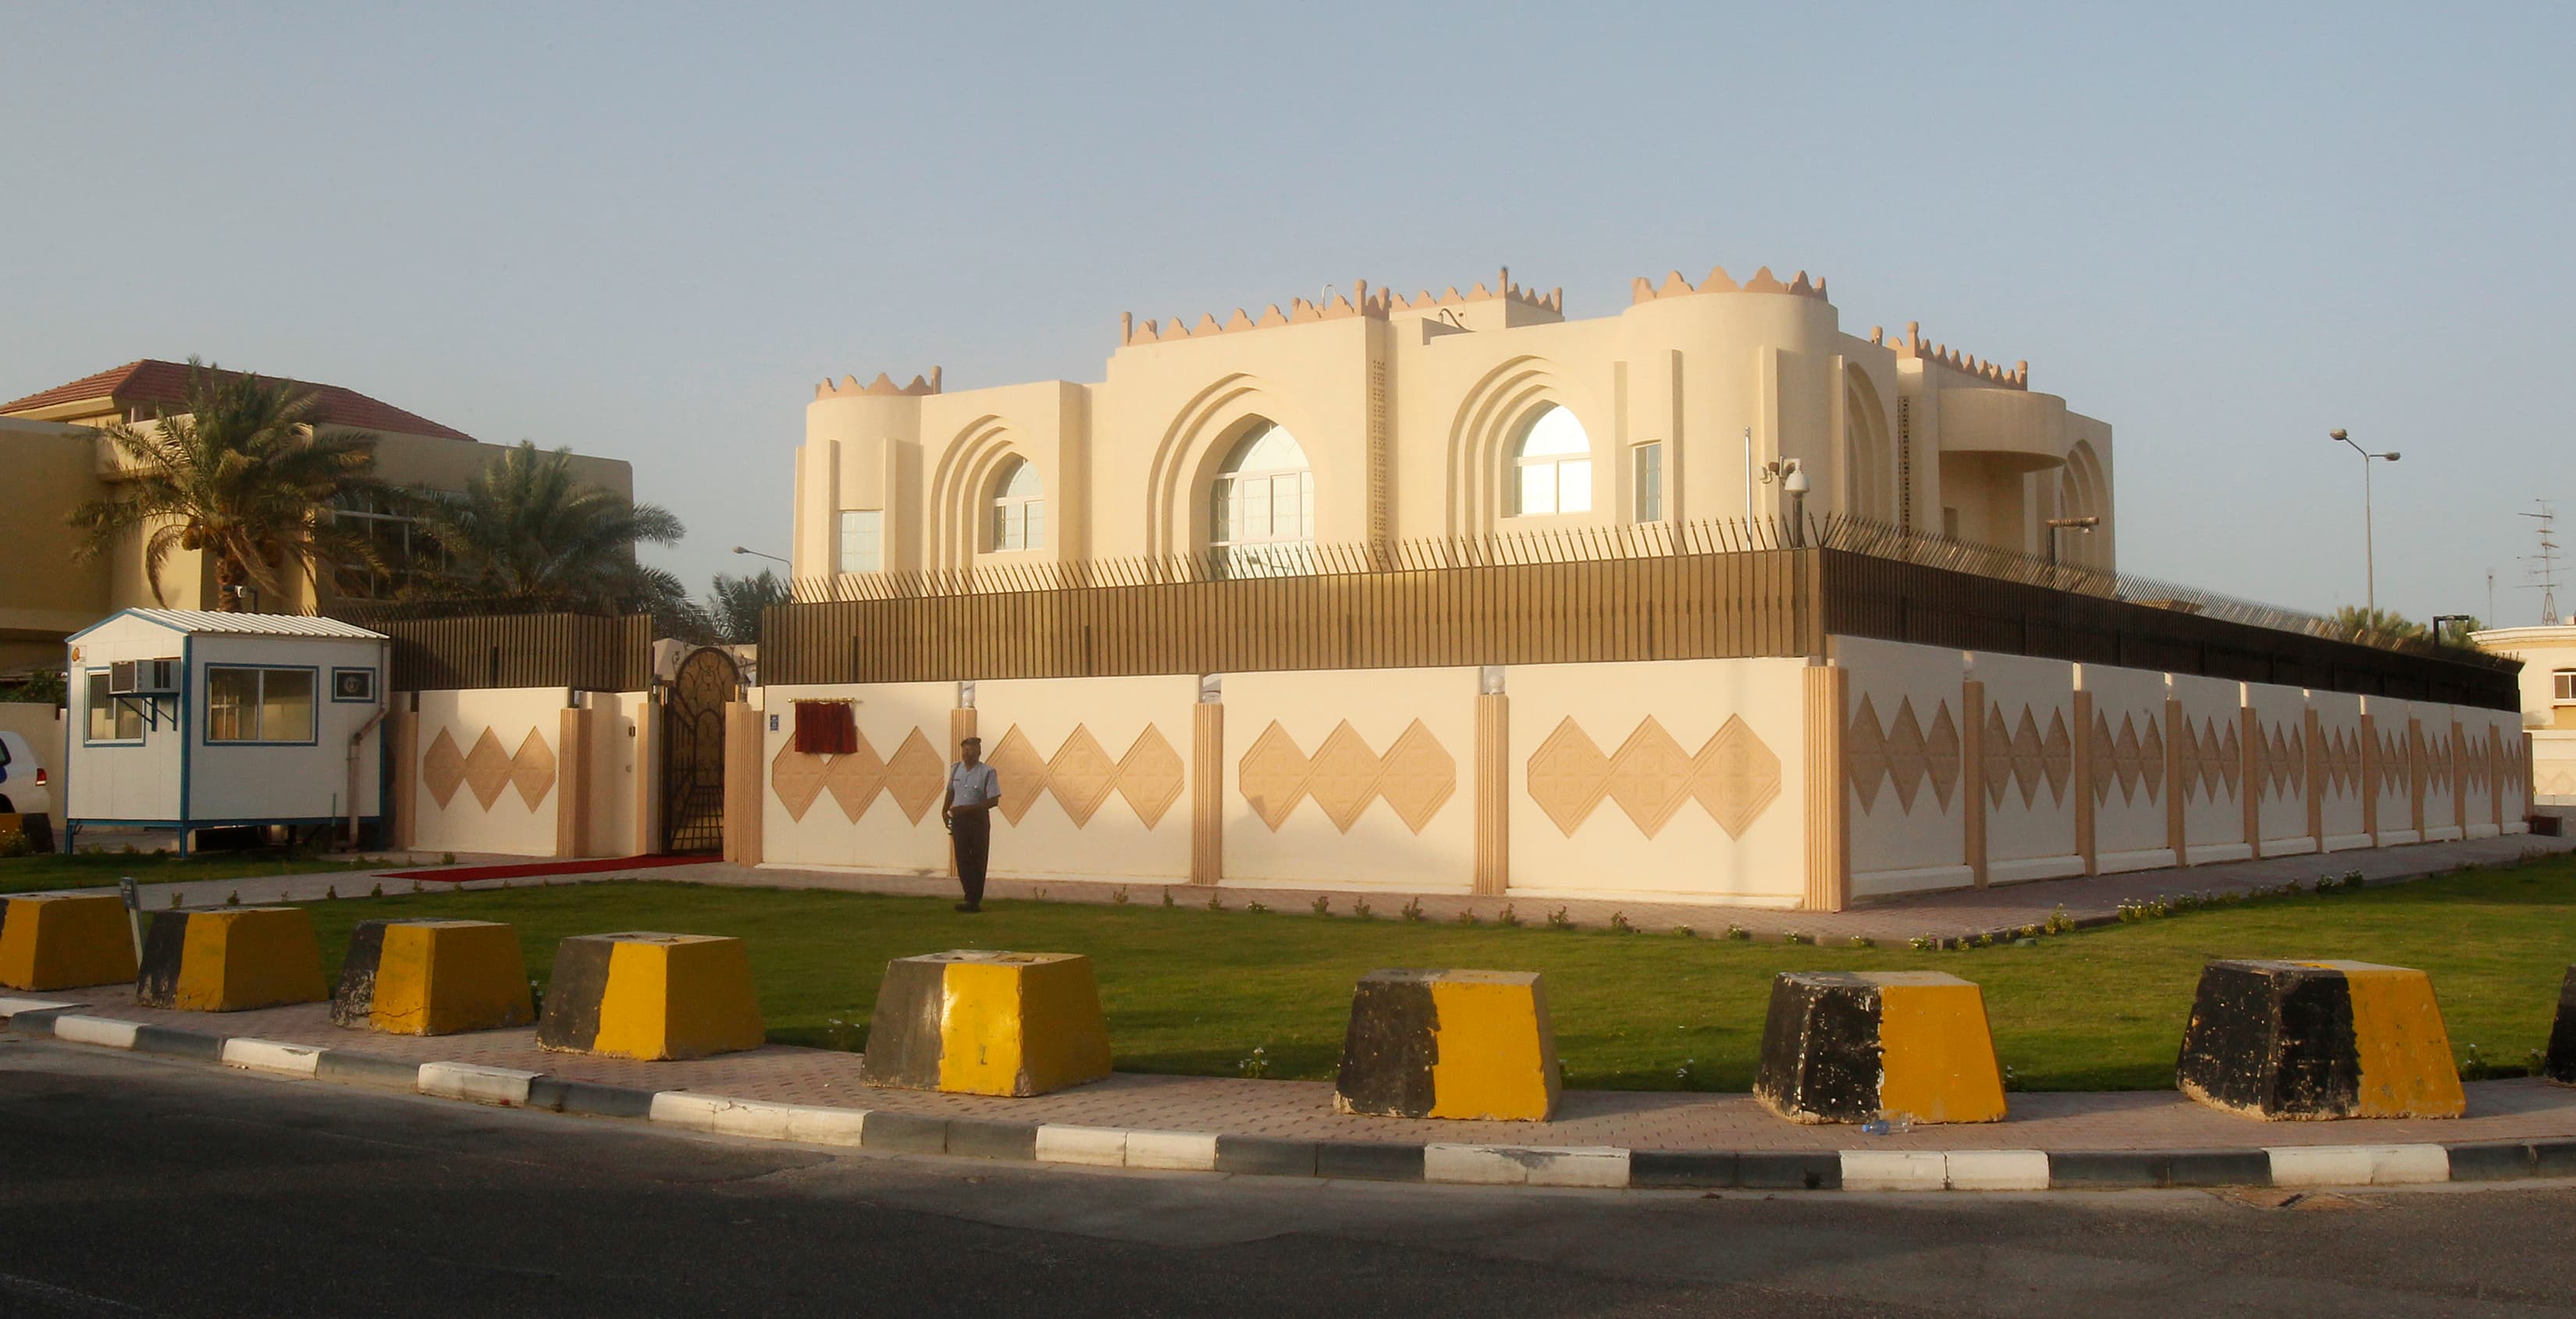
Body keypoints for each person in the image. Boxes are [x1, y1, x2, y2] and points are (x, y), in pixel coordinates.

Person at [944, 735, 1000, 912]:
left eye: (971, 750)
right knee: (962, 858)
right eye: (965, 750)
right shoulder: (956, 769)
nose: (967, 754)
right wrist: (944, 810)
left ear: (979, 752)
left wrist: (967, 810)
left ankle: (974, 900)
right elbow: (951, 791)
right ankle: (969, 895)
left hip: (977, 820)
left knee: (978, 858)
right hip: (959, 819)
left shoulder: (987, 772)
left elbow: (993, 801)